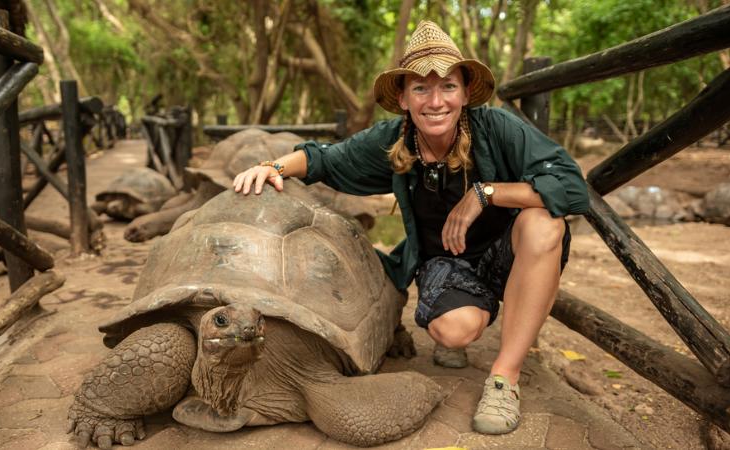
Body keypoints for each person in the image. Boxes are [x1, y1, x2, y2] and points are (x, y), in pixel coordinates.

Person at [232, 20, 588, 435]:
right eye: (421, 88)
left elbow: (571, 185)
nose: (436, 101)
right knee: (455, 332)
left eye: (448, 87)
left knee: (544, 223)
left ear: (466, 91)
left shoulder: (498, 128)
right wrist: (270, 167)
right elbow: (324, 159)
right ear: (402, 98)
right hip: (445, 261)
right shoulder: (393, 141)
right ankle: (461, 311)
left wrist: (485, 193)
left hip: (506, 254)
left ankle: (504, 378)